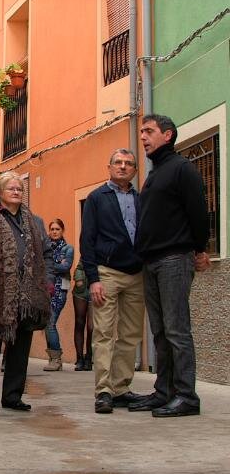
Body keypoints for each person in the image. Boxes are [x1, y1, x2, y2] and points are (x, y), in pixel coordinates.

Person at [131, 114, 210, 417]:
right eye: (141, 132)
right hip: (151, 262)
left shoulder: (182, 169)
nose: (143, 137)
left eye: (149, 131)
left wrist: (200, 250)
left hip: (174, 259)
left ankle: (187, 396)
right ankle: (164, 392)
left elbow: (199, 214)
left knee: (177, 330)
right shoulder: (155, 173)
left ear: (168, 135)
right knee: (160, 332)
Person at [0, 171, 54, 412]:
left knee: (20, 348)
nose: (16, 191)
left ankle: (13, 396)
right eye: (11, 188)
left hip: (27, 297)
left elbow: (47, 256)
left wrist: (47, 283)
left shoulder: (36, 222)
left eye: (19, 188)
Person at [80, 149, 146, 414]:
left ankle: (121, 388)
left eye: (128, 164)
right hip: (106, 272)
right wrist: (93, 278)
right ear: (109, 167)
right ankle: (103, 391)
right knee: (104, 333)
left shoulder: (141, 199)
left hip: (136, 274)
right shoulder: (97, 198)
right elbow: (87, 240)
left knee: (130, 334)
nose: (123, 167)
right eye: (118, 163)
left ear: (135, 170)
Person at [43, 219, 73, 371]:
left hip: (60, 289)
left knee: (50, 322)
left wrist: (48, 266)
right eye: (52, 229)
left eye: (57, 229)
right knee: (47, 324)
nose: (54, 231)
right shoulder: (45, 247)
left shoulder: (68, 249)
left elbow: (65, 267)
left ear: (62, 231)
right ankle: (52, 359)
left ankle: (56, 359)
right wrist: (55, 265)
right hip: (45, 288)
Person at [72, 260, 93, 371]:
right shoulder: (89, 244)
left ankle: (89, 358)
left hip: (96, 287)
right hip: (81, 288)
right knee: (79, 323)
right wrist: (78, 278)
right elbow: (81, 264)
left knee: (92, 327)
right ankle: (79, 359)